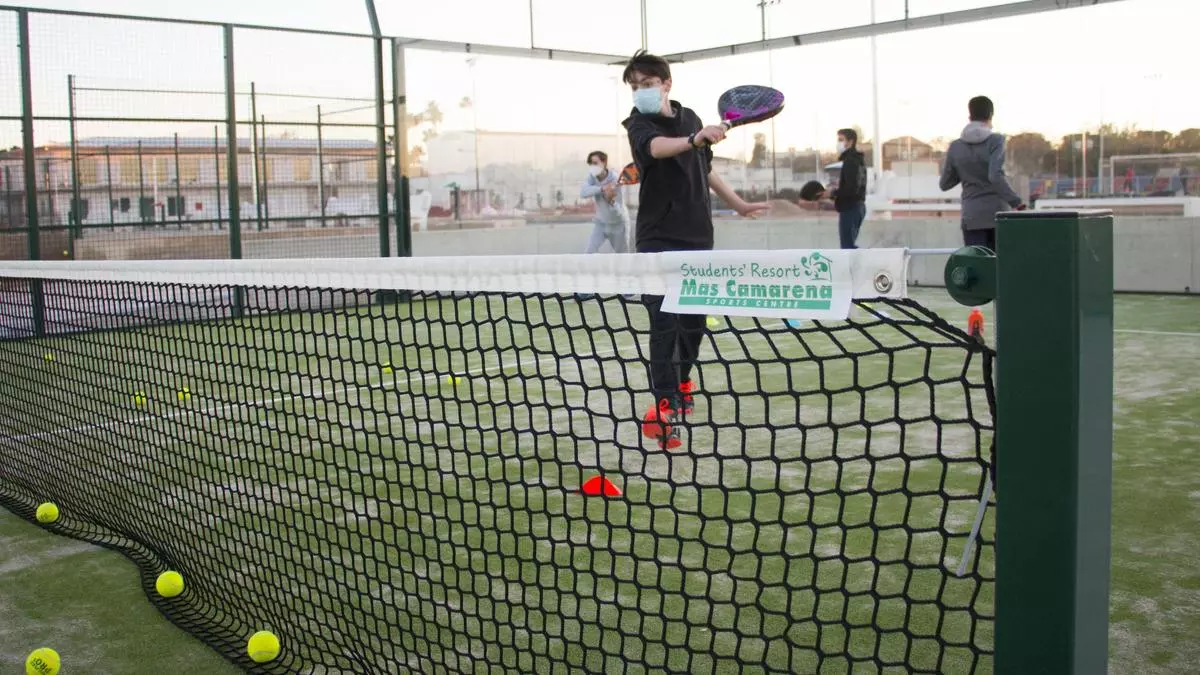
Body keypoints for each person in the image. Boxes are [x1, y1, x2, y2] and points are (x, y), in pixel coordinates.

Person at [621, 50, 770, 449]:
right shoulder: (638, 124)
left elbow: (704, 170)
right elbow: (655, 149)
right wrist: (692, 139)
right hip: (656, 238)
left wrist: (738, 205)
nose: (641, 92)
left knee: (693, 325)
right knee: (662, 324)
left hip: (698, 237)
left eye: (647, 85)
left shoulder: (691, 118)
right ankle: (663, 406)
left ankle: (683, 379)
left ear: (666, 83)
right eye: (635, 87)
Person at [939, 96, 1025, 251]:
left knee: (978, 266)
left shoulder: (956, 146)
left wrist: (965, 167)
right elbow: (995, 176)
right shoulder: (996, 140)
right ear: (991, 115)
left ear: (970, 116)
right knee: (1000, 267)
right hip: (999, 215)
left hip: (972, 217)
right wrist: (1017, 202)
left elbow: (945, 184)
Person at [579, 150, 629, 254]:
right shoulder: (592, 177)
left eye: (595, 163)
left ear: (604, 162)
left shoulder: (615, 179)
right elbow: (583, 193)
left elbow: (618, 213)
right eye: (591, 164)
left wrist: (611, 201)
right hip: (600, 224)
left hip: (618, 225)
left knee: (623, 257)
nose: (593, 167)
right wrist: (602, 189)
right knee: (589, 253)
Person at [830, 129, 867, 249]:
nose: (838, 143)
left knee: (847, 248)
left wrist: (832, 193)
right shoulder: (856, 160)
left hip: (851, 207)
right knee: (848, 247)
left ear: (850, 142)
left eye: (841, 140)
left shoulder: (851, 161)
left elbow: (851, 189)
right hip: (856, 207)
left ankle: (869, 265)